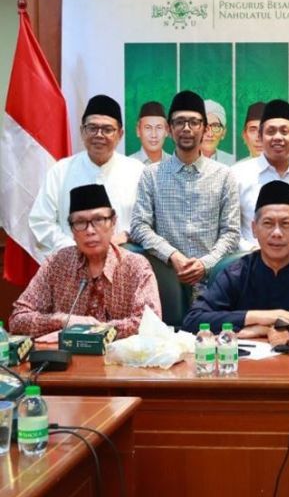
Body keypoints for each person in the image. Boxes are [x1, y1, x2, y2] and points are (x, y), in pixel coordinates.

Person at [182, 181, 289, 337]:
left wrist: (285, 332)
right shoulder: (237, 272)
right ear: (254, 229)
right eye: (268, 223)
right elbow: (193, 320)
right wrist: (257, 317)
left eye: (285, 224)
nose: (277, 233)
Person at [11, 184, 161, 340]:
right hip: (66, 354)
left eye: (98, 220)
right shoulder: (56, 264)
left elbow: (150, 324)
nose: (90, 230)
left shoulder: (135, 266)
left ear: (113, 222)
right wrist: (63, 320)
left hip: (118, 355)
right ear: (72, 230)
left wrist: (96, 330)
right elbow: (18, 319)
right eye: (80, 222)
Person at [130, 90, 241, 287]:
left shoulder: (224, 175)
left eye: (194, 122)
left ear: (205, 128)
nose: (187, 128)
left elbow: (231, 233)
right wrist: (172, 255)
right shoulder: (151, 175)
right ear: (170, 129)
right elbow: (139, 226)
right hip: (165, 281)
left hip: (213, 283)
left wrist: (204, 264)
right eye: (180, 122)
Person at [29, 94, 144, 263]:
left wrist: (126, 235)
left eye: (107, 129)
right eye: (92, 128)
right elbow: (40, 221)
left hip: (125, 263)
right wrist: (78, 248)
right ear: (82, 131)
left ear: (120, 134)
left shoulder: (138, 171)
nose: (99, 135)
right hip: (72, 264)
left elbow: (149, 221)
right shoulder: (60, 171)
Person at [230, 99, 289, 250]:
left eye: (284, 131)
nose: (278, 137)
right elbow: (229, 229)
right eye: (271, 131)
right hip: (249, 260)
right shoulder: (237, 175)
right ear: (260, 137)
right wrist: (254, 253)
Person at [202, 99, 236, 165]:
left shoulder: (233, 163)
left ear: (223, 133)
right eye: (205, 126)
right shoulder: (183, 161)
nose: (210, 134)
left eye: (216, 126)